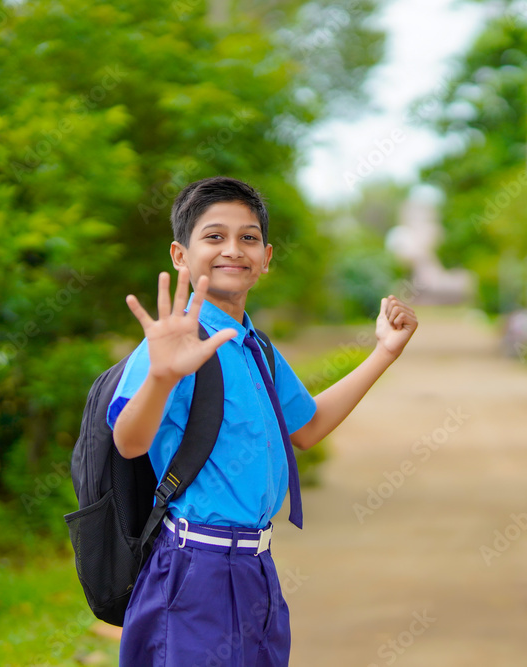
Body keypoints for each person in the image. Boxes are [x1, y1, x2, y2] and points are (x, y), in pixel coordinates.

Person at [108, 176, 418, 666]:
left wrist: (384, 352)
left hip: (255, 568)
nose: (234, 249)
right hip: (193, 571)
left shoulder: (255, 347)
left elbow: (308, 428)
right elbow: (128, 440)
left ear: (266, 257)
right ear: (180, 255)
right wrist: (162, 378)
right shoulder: (174, 344)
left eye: (248, 237)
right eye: (214, 236)